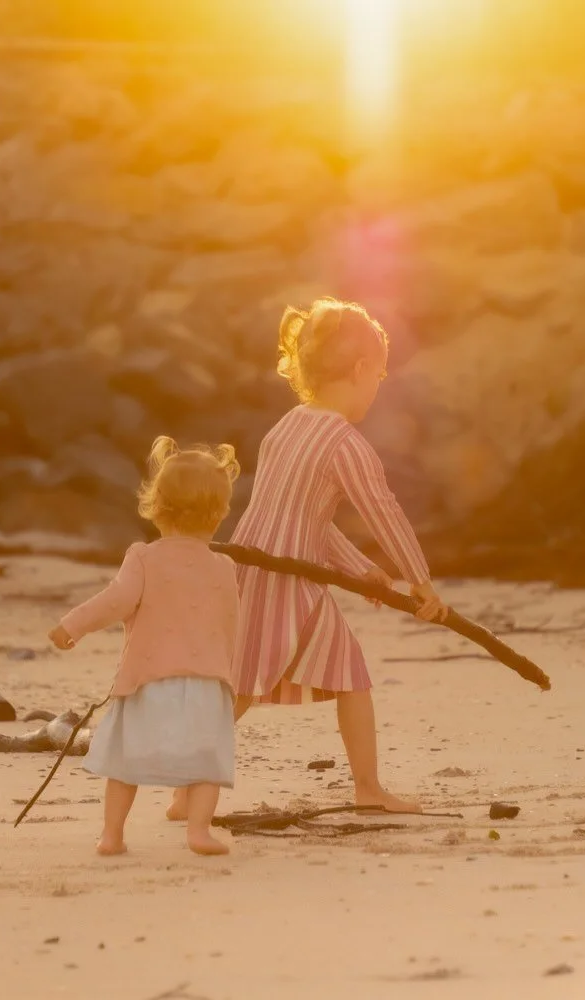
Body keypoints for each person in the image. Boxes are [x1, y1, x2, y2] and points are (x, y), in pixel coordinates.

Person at [169, 297, 448, 822]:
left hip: (262, 565)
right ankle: (191, 787)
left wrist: (362, 571)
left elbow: (305, 521)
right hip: (287, 581)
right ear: (361, 369)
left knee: (324, 675)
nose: (378, 387)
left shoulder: (288, 426)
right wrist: (421, 582)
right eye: (380, 375)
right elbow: (384, 514)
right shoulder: (345, 444)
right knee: (249, 683)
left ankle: (192, 792)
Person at [48, 436, 241, 857]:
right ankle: (198, 831)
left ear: (157, 506)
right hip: (206, 682)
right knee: (207, 760)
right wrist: (229, 674)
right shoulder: (224, 566)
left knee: (125, 762)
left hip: (147, 679)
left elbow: (115, 601)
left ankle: (112, 834)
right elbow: (231, 625)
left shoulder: (143, 557)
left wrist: (72, 625)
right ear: (219, 513)